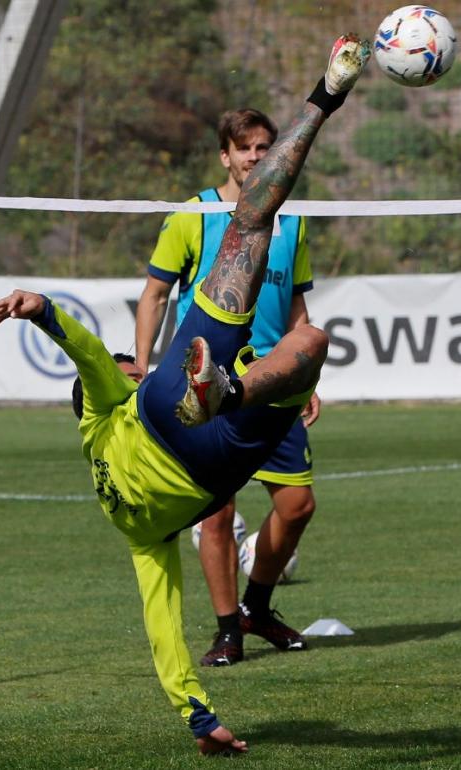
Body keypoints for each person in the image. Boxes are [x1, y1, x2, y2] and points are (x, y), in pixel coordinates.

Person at [0, 34, 370, 755]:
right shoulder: (104, 417)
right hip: (170, 406)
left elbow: (160, 623)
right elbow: (94, 356)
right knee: (262, 246)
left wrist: (198, 715)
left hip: (200, 450)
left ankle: (229, 393)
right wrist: (43, 311)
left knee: (311, 344)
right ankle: (326, 95)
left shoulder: (136, 531)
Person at [135, 107, 320, 667]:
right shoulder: (192, 216)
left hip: (272, 382)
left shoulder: (293, 223)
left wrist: (308, 375)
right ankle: (226, 632)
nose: (256, 157)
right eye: (245, 148)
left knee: (297, 506)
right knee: (214, 513)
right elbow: (155, 295)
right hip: (207, 381)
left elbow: (296, 305)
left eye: (265, 148)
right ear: (225, 156)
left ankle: (255, 608)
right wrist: (142, 365)